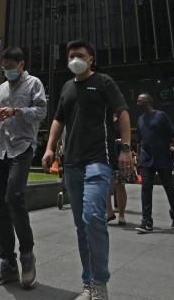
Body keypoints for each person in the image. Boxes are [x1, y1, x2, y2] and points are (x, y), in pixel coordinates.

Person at [42, 40, 132, 300]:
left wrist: (126, 147)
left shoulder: (104, 82)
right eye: (70, 56)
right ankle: (88, 283)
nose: (74, 60)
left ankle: (100, 283)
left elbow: (123, 112)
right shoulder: (67, 87)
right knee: (81, 226)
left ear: (91, 59)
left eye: (79, 55)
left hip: (98, 160)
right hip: (71, 163)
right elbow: (58, 120)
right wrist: (49, 149)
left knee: (93, 218)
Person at [0, 46, 47, 289]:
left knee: (14, 197)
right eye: (4, 66)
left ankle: (27, 257)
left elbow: (41, 111)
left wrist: (18, 111)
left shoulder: (34, 84)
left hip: (22, 148)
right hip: (0, 150)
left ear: (21, 64)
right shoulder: (0, 88)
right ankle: (7, 263)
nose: (6, 70)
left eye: (10, 66)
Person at [134, 93, 174, 233]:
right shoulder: (140, 119)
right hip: (146, 159)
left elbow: (173, 135)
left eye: (140, 99)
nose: (137, 101)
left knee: (169, 188)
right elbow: (139, 141)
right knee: (146, 189)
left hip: (163, 158)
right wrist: (137, 157)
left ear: (148, 101)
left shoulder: (161, 116)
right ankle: (146, 221)